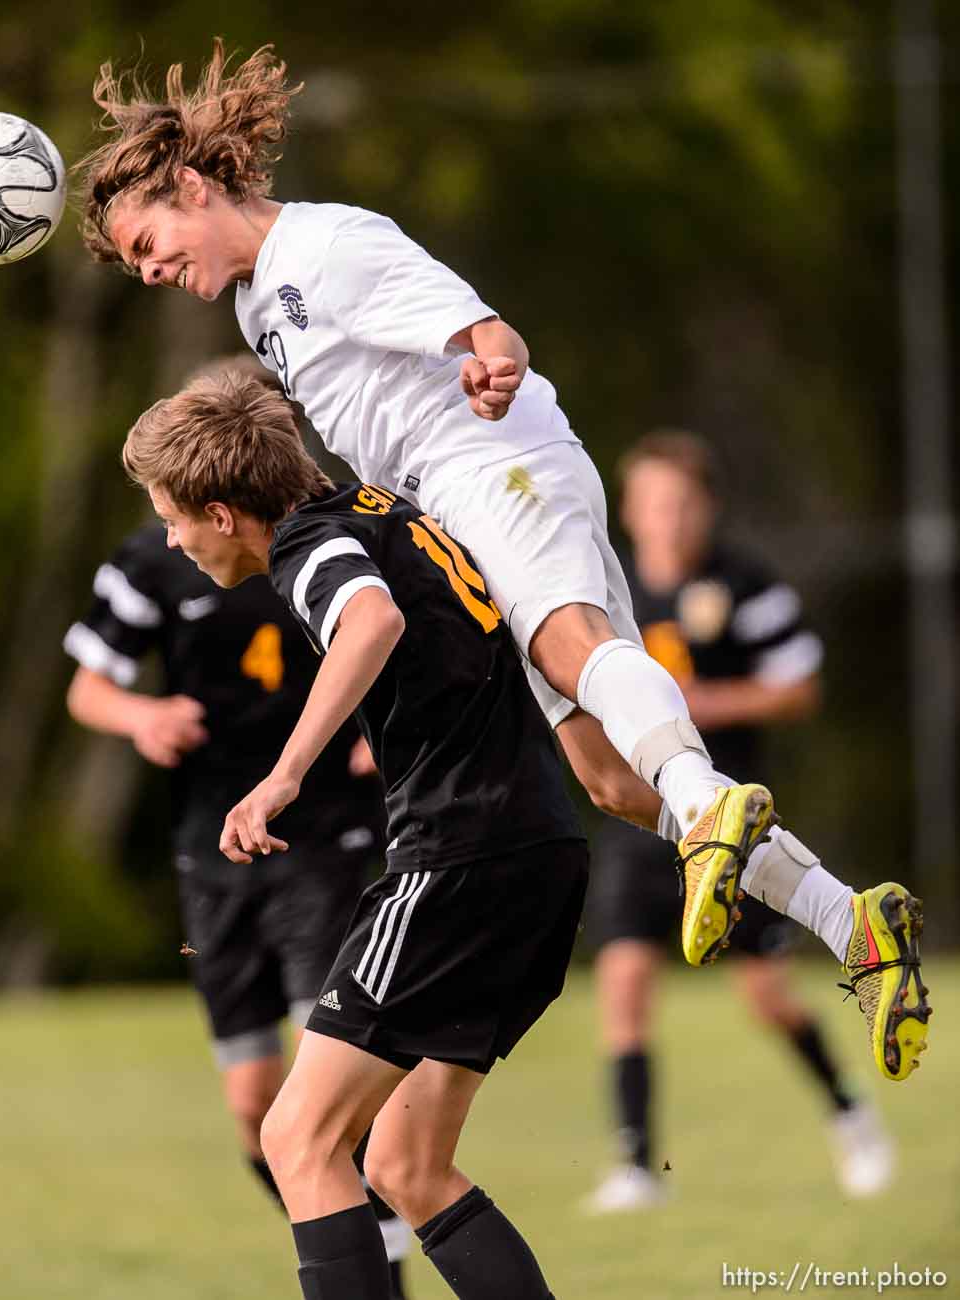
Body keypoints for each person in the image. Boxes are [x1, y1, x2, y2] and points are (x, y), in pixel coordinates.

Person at [73, 40, 932, 1084]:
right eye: (135, 267)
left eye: (149, 243)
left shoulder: (328, 246)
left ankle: (706, 805)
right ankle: (856, 926)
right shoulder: (261, 305)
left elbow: (470, 320)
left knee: (573, 648)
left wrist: (490, 352)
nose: (152, 270)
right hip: (458, 500)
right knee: (608, 777)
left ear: (195, 186)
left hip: (493, 459)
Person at [122, 369, 588, 1300]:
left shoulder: (309, 546)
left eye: (172, 517)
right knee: (409, 1166)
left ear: (221, 512)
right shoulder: (376, 505)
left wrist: (283, 775)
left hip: (457, 859)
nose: (169, 539)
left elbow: (368, 619)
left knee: (295, 1139)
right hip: (539, 848)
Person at [62, 392, 415, 1294]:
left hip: (324, 831)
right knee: (257, 1109)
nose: (177, 532)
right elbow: (88, 689)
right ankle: (373, 1235)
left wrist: (387, 723)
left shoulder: (315, 541)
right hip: (211, 841)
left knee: (318, 1085)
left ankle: (386, 1247)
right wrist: (141, 715)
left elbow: (387, 626)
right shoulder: (155, 559)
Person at [583, 431, 893, 1212]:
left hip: (733, 818)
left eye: (682, 503)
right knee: (622, 981)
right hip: (644, 819)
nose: (668, 518)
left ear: (707, 508)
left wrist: (709, 703)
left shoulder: (743, 581)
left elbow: (797, 688)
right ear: (631, 509)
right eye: (653, 503)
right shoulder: (606, 587)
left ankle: (849, 1113)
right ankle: (633, 1164)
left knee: (767, 997)